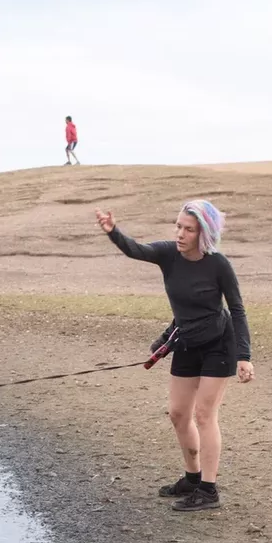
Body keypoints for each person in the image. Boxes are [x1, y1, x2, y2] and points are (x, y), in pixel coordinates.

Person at [95, 200, 255, 511]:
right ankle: (192, 479)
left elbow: (237, 310)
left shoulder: (218, 265)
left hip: (219, 345)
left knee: (204, 415)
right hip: (186, 341)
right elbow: (136, 250)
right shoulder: (169, 254)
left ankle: (209, 490)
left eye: (188, 229)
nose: (180, 233)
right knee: (178, 414)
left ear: (203, 233)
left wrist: (244, 356)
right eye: (178, 226)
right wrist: (113, 232)